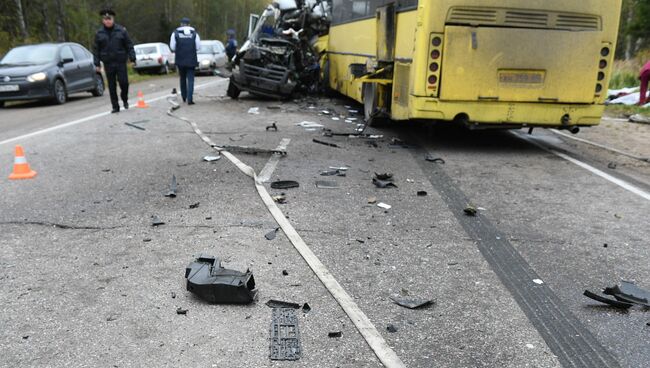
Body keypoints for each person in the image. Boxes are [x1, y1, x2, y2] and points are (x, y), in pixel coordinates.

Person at [93, 9, 135, 113]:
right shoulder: (99, 33)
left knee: (124, 83)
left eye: (109, 19)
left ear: (113, 19)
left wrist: (132, 58)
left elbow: (129, 45)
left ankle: (124, 98)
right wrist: (96, 63)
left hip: (120, 61)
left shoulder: (121, 31)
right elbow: (96, 49)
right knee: (111, 86)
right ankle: (115, 106)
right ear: (103, 20)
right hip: (108, 63)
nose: (107, 21)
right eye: (105, 19)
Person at [170, 17, 201, 105]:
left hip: (180, 59)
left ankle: (184, 97)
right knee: (191, 79)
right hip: (191, 59)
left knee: (182, 78)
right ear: (189, 24)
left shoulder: (175, 33)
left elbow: (172, 47)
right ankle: (190, 99)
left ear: (181, 24)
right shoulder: (194, 33)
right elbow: (198, 47)